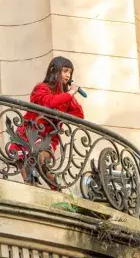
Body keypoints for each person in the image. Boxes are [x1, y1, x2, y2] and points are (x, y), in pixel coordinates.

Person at [9, 56, 85, 189]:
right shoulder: (41, 88)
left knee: (44, 165)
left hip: (48, 138)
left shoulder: (66, 96)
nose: (68, 75)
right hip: (29, 135)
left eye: (70, 72)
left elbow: (79, 115)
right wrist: (70, 93)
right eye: (65, 70)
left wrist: (70, 95)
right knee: (28, 176)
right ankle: (34, 193)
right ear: (54, 71)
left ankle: (59, 196)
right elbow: (48, 102)